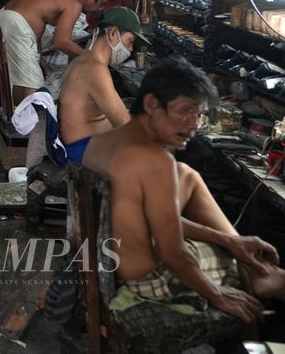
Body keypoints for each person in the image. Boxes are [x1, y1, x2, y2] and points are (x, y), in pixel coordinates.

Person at [83, 58, 285, 321]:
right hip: (149, 280)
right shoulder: (156, 162)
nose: (193, 125)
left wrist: (230, 241)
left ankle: (247, 258)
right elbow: (173, 254)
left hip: (108, 258)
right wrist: (217, 294)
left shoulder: (100, 142)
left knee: (186, 174)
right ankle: (258, 275)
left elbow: (145, 219)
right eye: (186, 111)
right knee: (261, 274)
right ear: (152, 105)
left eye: (199, 115)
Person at [0, 0, 116, 105]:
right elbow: (61, 42)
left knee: (22, 80)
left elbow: (35, 28)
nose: (100, 9)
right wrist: (92, 57)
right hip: (14, 23)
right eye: (101, 4)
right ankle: (26, 120)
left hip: (4, 19)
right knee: (33, 83)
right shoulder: (74, 3)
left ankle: (17, 114)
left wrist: (39, 57)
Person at [57, 7, 147, 164]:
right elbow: (124, 123)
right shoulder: (95, 69)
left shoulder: (84, 59)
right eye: (130, 41)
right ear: (112, 33)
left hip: (83, 145)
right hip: (83, 150)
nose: (131, 49)